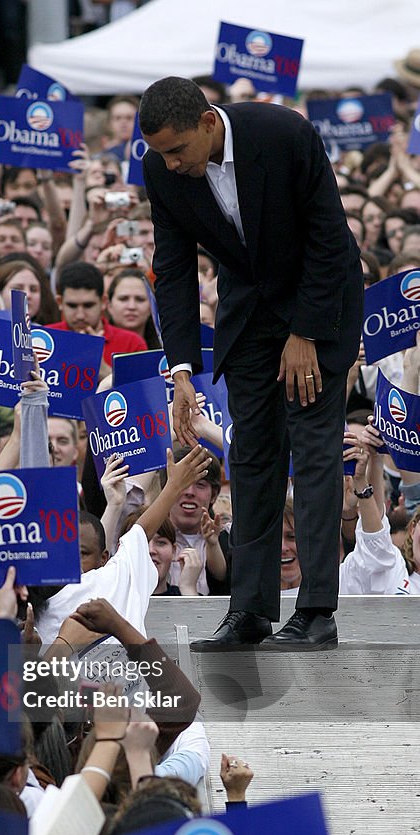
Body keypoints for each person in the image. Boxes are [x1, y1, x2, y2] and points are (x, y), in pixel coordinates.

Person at [139, 77, 363, 650]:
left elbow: (331, 240)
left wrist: (305, 333)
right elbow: (174, 269)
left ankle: (316, 611)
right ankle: (250, 610)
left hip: (318, 306)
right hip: (248, 322)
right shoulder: (162, 171)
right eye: (160, 152)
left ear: (209, 123)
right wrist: (182, 371)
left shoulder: (283, 133)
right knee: (253, 458)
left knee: (313, 455)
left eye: (177, 150)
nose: (170, 163)